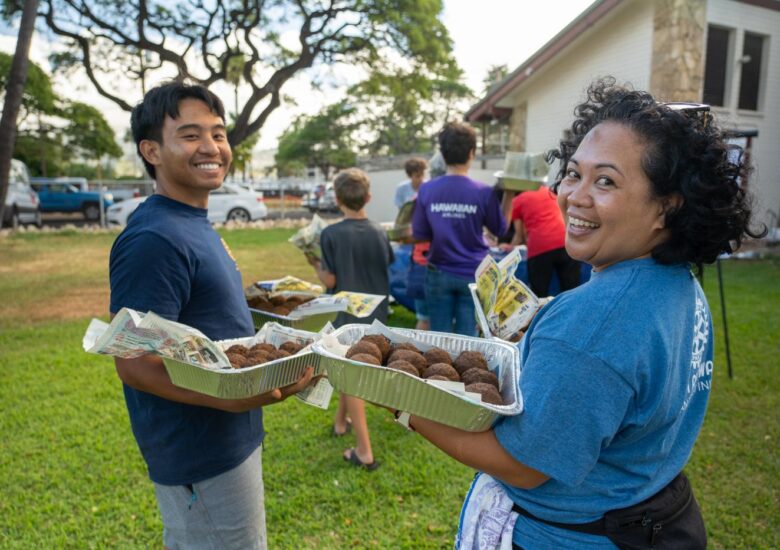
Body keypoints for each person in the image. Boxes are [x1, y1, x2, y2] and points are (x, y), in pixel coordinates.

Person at [392, 80, 765, 548]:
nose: (574, 196)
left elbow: (523, 466)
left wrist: (404, 403)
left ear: (666, 209)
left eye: (606, 180)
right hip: (651, 509)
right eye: (573, 173)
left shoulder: (593, 323)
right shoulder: (678, 283)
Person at [109, 82, 314, 549]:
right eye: (190, 135)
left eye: (218, 134)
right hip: (199, 450)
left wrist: (264, 304)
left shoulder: (191, 220)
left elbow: (200, 315)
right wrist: (232, 399)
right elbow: (134, 363)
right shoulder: (154, 239)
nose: (212, 148)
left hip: (229, 437)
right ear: (151, 151)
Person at [308, 168, 394, 471]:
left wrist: (315, 262)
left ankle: (364, 451)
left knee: (351, 376)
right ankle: (340, 423)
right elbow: (387, 263)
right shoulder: (380, 231)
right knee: (349, 370)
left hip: (346, 316)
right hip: (377, 315)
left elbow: (329, 277)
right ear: (368, 197)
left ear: (336, 199)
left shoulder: (330, 234)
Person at [411, 122, 513, 335]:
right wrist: (510, 194)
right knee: (468, 340)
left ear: (443, 153)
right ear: (472, 153)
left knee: (439, 337)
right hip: (472, 273)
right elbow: (500, 229)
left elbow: (420, 235)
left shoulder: (427, 190)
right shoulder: (483, 192)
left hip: (438, 271)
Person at [507, 185, 581, 296]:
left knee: (539, 295)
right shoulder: (550, 193)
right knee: (572, 291)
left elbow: (519, 236)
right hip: (565, 242)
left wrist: (510, 247)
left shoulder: (517, 201)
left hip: (540, 247)